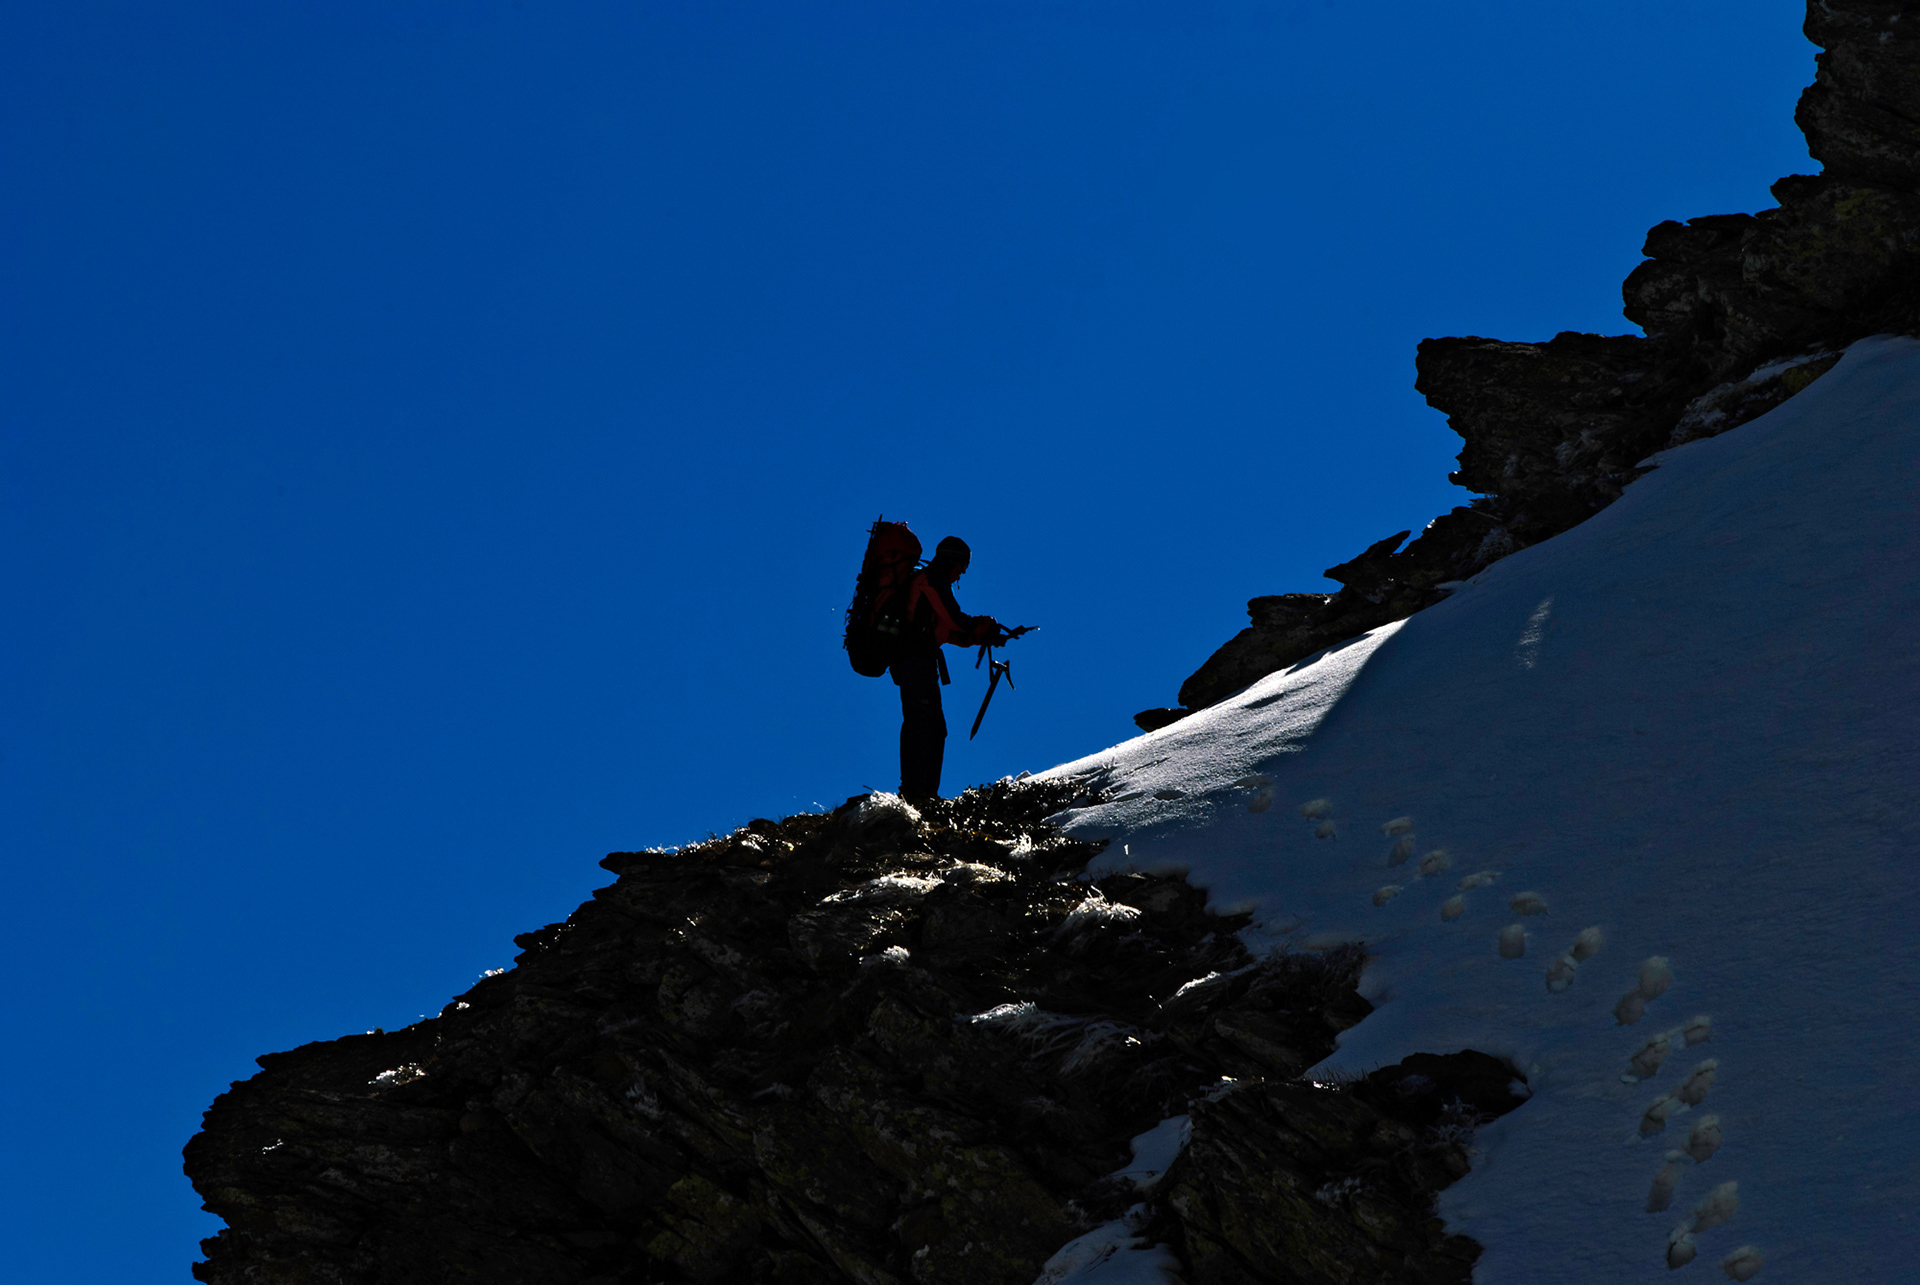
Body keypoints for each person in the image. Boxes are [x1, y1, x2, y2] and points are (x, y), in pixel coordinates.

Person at [890, 536, 1004, 801]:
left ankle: (924, 792)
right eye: (962, 567)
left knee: (932, 726)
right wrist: (982, 626)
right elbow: (954, 618)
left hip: (917, 661)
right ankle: (916, 792)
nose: (961, 574)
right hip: (915, 662)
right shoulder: (932, 579)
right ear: (953, 560)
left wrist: (980, 635)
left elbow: (949, 631)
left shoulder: (930, 582)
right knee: (923, 724)